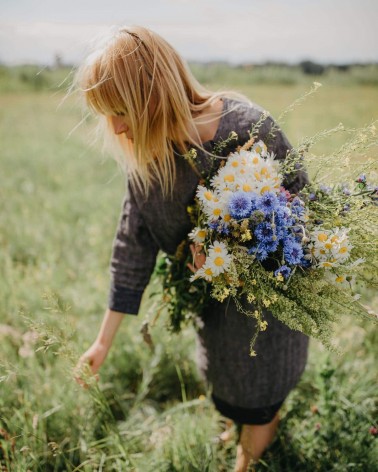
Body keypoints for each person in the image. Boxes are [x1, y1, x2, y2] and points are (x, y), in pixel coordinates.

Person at [73, 25, 310, 471]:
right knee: (222, 377)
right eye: (109, 115)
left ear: (154, 93)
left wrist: (234, 246)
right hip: (212, 306)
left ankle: (248, 457)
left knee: (261, 391)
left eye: (122, 110)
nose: (117, 127)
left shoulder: (246, 128)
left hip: (270, 304)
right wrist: (102, 343)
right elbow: (132, 245)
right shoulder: (146, 157)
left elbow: (303, 204)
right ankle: (235, 423)